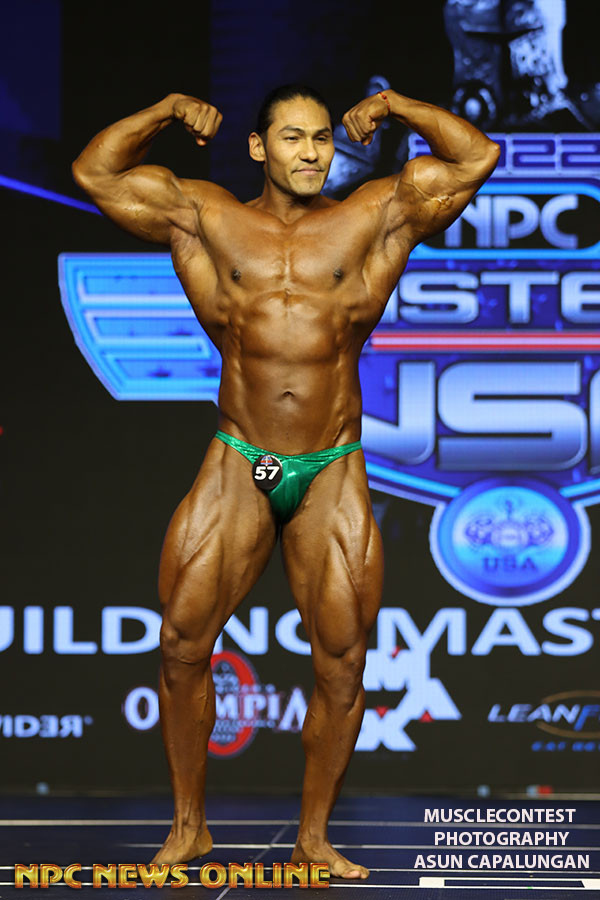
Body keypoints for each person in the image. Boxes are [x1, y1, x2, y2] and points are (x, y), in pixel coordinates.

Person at [72, 83, 499, 879]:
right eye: (293, 138)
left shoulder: (372, 216)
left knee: (342, 662)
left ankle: (314, 839)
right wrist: (166, 111)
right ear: (259, 147)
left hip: (331, 466)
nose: (311, 153)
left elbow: (477, 158)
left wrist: (398, 105)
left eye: (322, 139)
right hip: (243, 458)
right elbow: (95, 173)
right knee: (181, 644)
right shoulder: (205, 216)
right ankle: (189, 828)